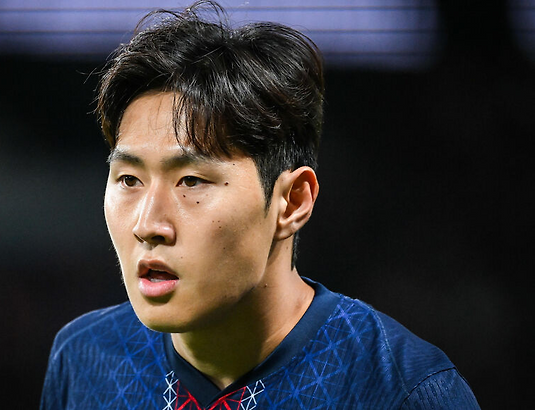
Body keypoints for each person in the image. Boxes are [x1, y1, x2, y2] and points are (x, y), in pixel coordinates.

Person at [40, 1, 480, 408]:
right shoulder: (83, 360)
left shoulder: (403, 389)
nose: (148, 224)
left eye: (191, 181)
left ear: (292, 201)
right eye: (129, 179)